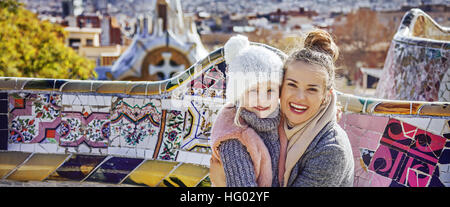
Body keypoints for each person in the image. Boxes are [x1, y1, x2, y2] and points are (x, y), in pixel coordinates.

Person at [209, 35, 287, 187]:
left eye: (270, 90)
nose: (262, 99)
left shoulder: (280, 120)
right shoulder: (233, 138)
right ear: (238, 92)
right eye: (253, 90)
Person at [279, 29, 354, 187]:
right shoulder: (272, 123)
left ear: (326, 96)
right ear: (280, 86)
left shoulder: (330, 150)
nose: (300, 97)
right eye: (292, 85)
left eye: (312, 89)